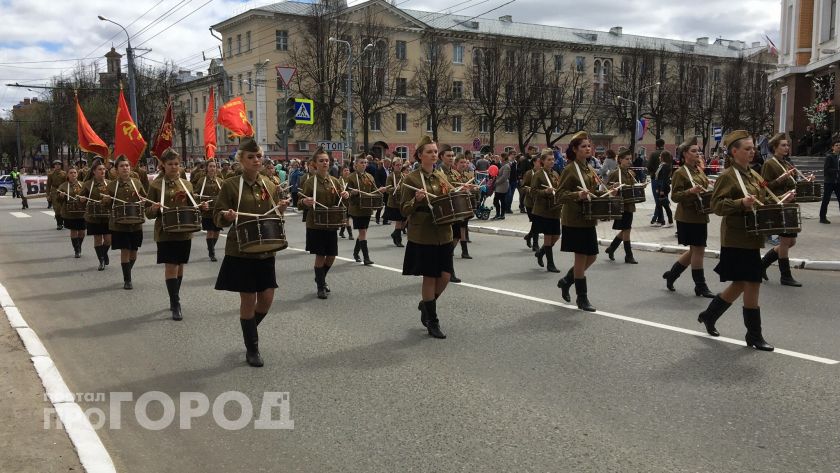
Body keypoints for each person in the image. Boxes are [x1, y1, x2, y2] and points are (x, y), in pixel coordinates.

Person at [697, 130, 788, 351]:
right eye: (747, 149)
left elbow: (762, 202)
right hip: (737, 238)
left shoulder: (753, 175)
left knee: (740, 284)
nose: (752, 152)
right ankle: (754, 335)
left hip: (752, 237)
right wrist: (741, 203)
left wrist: (782, 199)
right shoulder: (728, 175)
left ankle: (709, 315)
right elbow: (717, 206)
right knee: (752, 283)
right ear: (734, 151)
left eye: (753, 148)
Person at [214, 138, 289, 367]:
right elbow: (217, 217)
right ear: (241, 160)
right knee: (248, 298)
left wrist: (281, 209)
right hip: (241, 249)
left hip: (265, 248)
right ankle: (252, 348)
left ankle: (249, 330)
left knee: (266, 298)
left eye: (259, 156)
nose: (257, 160)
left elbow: (275, 216)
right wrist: (225, 216)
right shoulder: (230, 185)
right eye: (251, 157)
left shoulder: (268, 183)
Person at [400, 136, 456, 339]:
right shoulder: (412, 179)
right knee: (430, 276)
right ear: (419, 156)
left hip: (444, 232)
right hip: (424, 234)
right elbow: (403, 209)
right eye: (429, 152)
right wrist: (415, 200)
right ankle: (432, 321)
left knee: (446, 276)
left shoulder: (441, 176)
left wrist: (460, 192)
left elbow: (449, 197)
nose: (434, 155)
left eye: (435, 151)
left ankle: (426, 305)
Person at [556, 131, 617, 312]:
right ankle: (582, 299)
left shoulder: (589, 168)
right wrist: (577, 194)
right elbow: (560, 195)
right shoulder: (570, 169)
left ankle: (567, 280)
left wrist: (607, 192)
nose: (588, 149)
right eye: (583, 146)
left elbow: (591, 192)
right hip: (574, 219)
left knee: (592, 256)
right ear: (575, 150)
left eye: (589, 146)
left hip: (588, 219)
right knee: (581, 258)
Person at [146, 149, 203, 321]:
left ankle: (175, 296)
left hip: (184, 231)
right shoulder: (156, 185)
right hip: (165, 232)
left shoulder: (187, 184)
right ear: (163, 165)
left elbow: (193, 205)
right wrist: (153, 208)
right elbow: (147, 213)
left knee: (180, 265)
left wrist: (200, 207)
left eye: (176, 164)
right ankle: (175, 302)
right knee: (171, 265)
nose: (174, 167)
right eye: (170, 164)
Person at [662, 137, 715, 297]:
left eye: (698, 150)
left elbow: (704, 186)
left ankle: (672, 275)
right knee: (698, 250)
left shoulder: (698, 170)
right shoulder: (680, 172)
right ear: (685, 154)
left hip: (701, 214)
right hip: (688, 216)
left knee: (695, 251)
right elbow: (675, 196)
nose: (697, 153)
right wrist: (690, 192)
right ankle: (700, 285)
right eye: (693, 151)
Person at [760, 133, 811, 286]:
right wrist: (782, 178)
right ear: (774, 147)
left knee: (791, 242)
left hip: (790, 206)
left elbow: (792, 183)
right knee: (785, 242)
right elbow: (764, 187)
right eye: (783, 145)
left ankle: (761, 265)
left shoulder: (786, 163)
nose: (786, 147)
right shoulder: (769, 164)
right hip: (780, 205)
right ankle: (785, 276)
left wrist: (806, 180)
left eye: (787, 145)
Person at [300, 149, 349, 299]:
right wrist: (304, 201)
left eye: (326, 160)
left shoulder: (334, 182)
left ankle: (320, 277)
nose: (324, 163)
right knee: (320, 255)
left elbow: (340, 202)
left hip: (331, 223)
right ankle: (321, 286)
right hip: (316, 223)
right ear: (315, 164)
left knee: (332, 255)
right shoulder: (309, 182)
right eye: (321, 161)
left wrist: (345, 196)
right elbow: (299, 202)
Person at [106, 156, 147, 290]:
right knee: (125, 250)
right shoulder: (112, 185)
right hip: (119, 223)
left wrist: (144, 200)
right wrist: (106, 200)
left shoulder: (137, 182)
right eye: (122, 166)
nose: (125, 168)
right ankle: (127, 280)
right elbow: (107, 204)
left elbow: (145, 198)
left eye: (127, 166)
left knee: (134, 252)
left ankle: (127, 270)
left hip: (135, 222)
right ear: (117, 170)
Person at [345, 154, 386, 265]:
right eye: (361, 162)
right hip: (356, 209)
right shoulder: (351, 177)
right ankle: (366, 258)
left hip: (367, 209)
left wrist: (380, 190)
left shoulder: (369, 177)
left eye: (365, 162)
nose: (364, 164)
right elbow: (345, 193)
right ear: (355, 165)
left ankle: (355, 252)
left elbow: (374, 190)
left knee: (363, 232)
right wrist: (351, 193)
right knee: (362, 232)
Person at [604, 148, 638, 264]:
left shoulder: (630, 173)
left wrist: (639, 187)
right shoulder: (615, 173)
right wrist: (614, 187)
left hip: (630, 204)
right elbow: (607, 188)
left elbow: (633, 187)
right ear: (620, 160)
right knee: (627, 230)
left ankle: (611, 249)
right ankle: (629, 255)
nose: (629, 161)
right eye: (627, 159)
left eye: (630, 159)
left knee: (625, 229)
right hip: (621, 205)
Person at [530, 149, 562, 272]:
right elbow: (532, 192)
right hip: (543, 210)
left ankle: (541, 253)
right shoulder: (538, 174)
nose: (552, 162)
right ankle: (550, 264)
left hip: (555, 209)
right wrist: (545, 191)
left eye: (553, 159)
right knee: (548, 237)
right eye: (549, 160)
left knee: (556, 236)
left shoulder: (555, 174)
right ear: (542, 161)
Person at [80, 159, 112, 270]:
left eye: (104, 169)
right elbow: (79, 198)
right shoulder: (88, 184)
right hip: (94, 216)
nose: (102, 171)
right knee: (98, 239)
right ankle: (101, 260)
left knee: (108, 239)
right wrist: (82, 199)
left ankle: (103, 253)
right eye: (99, 169)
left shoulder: (111, 183)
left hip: (107, 216)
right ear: (94, 171)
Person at [197, 159, 224, 261]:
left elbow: (224, 195)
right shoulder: (201, 181)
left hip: (217, 211)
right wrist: (202, 204)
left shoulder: (220, 181)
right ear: (207, 168)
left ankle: (211, 247)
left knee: (216, 231)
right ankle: (212, 253)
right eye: (210, 166)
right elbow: (195, 195)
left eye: (214, 166)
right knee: (210, 231)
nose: (212, 168)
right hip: (207, 211)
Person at [56, 167, 87, 258]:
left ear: (77, 174)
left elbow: (88, 195)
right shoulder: (63, 186)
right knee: (73, 230)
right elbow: (58, 199)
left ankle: (79, 245)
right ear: (68, 175)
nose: (73, 174)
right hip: (69, 212)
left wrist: (84, 198)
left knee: (82, 231)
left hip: (82, 212)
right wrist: (61, 196)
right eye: (71, 173)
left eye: (75, 172)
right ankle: (76, 249)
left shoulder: (83, 184)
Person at [383, 157, 406, 247]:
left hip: (402, 201)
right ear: (393, 166)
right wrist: (396, 188)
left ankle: (394, 234)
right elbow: (388, 189)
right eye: (397, 165)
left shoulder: (404, 176)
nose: (399, 167)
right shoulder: (390, 176)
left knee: (404, 221)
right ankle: (398, 240)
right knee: (399, 222)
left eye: (400, 165)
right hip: (394, 202)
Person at [521, 154, 542, 251]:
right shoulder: (529, 173)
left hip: (540, 202)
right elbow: (523, 187)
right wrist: (529, 190)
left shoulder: (543, 173)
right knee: (536, 222)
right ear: (534, 162)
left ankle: (529, 237)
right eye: (539, 161)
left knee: (537, 223)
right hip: (530, 203)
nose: (541, 163)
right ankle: (535, 244)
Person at [819, 139, 840, 224]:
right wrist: (837, 170)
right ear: (832, 147)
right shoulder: (829, 157)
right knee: (826, 200)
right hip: (829, 182)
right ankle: (822, 218)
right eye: (837, 145)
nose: (839, 147)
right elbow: (826, 170)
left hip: (838, 182)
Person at [652, 151, 674, 227]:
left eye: (660, 156)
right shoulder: (662, 165)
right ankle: (661, 221)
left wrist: (661, 190)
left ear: (663, 157)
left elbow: (664, 179)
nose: (659, 157)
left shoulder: (665, 166)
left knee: (665, 205)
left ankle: (670, 222)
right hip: (660, 186)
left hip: (663, 187)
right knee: (658, 205)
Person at [47, 160, 67, 229]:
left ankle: (63, 221)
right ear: (54, 166)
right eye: (56, 164)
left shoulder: (64, 174)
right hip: (54, 191)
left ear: (61, 165)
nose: (57, 165)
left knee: (63, 207)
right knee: (56, 208)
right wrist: (48, 195)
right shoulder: (51, 174)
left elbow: (67, 183)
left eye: (59, 164)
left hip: (63, 191)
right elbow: (48, 185)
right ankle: (59, 223)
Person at [338, 167, 354, 240]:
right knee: (346, 218)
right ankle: (350, 234)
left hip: (349, 201)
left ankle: (341, 231)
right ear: (342, 172)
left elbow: (352, 190)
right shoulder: (339, 181)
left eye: (348, 170)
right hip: (342, 202)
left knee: (346, 218)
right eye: (345, 170)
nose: (347, 172)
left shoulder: (350, 180)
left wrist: (350, 193)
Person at [493, 155, 511, 220]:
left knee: (497, 200)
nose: (500, 158)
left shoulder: (506, 166)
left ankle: (500, 214)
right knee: (501, 200)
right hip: (500, 185)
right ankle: (500, 214)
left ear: (503, 158)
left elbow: (504, 177)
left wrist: (496, 182)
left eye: (501, 157)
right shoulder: (504, 165)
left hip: (502, 185)